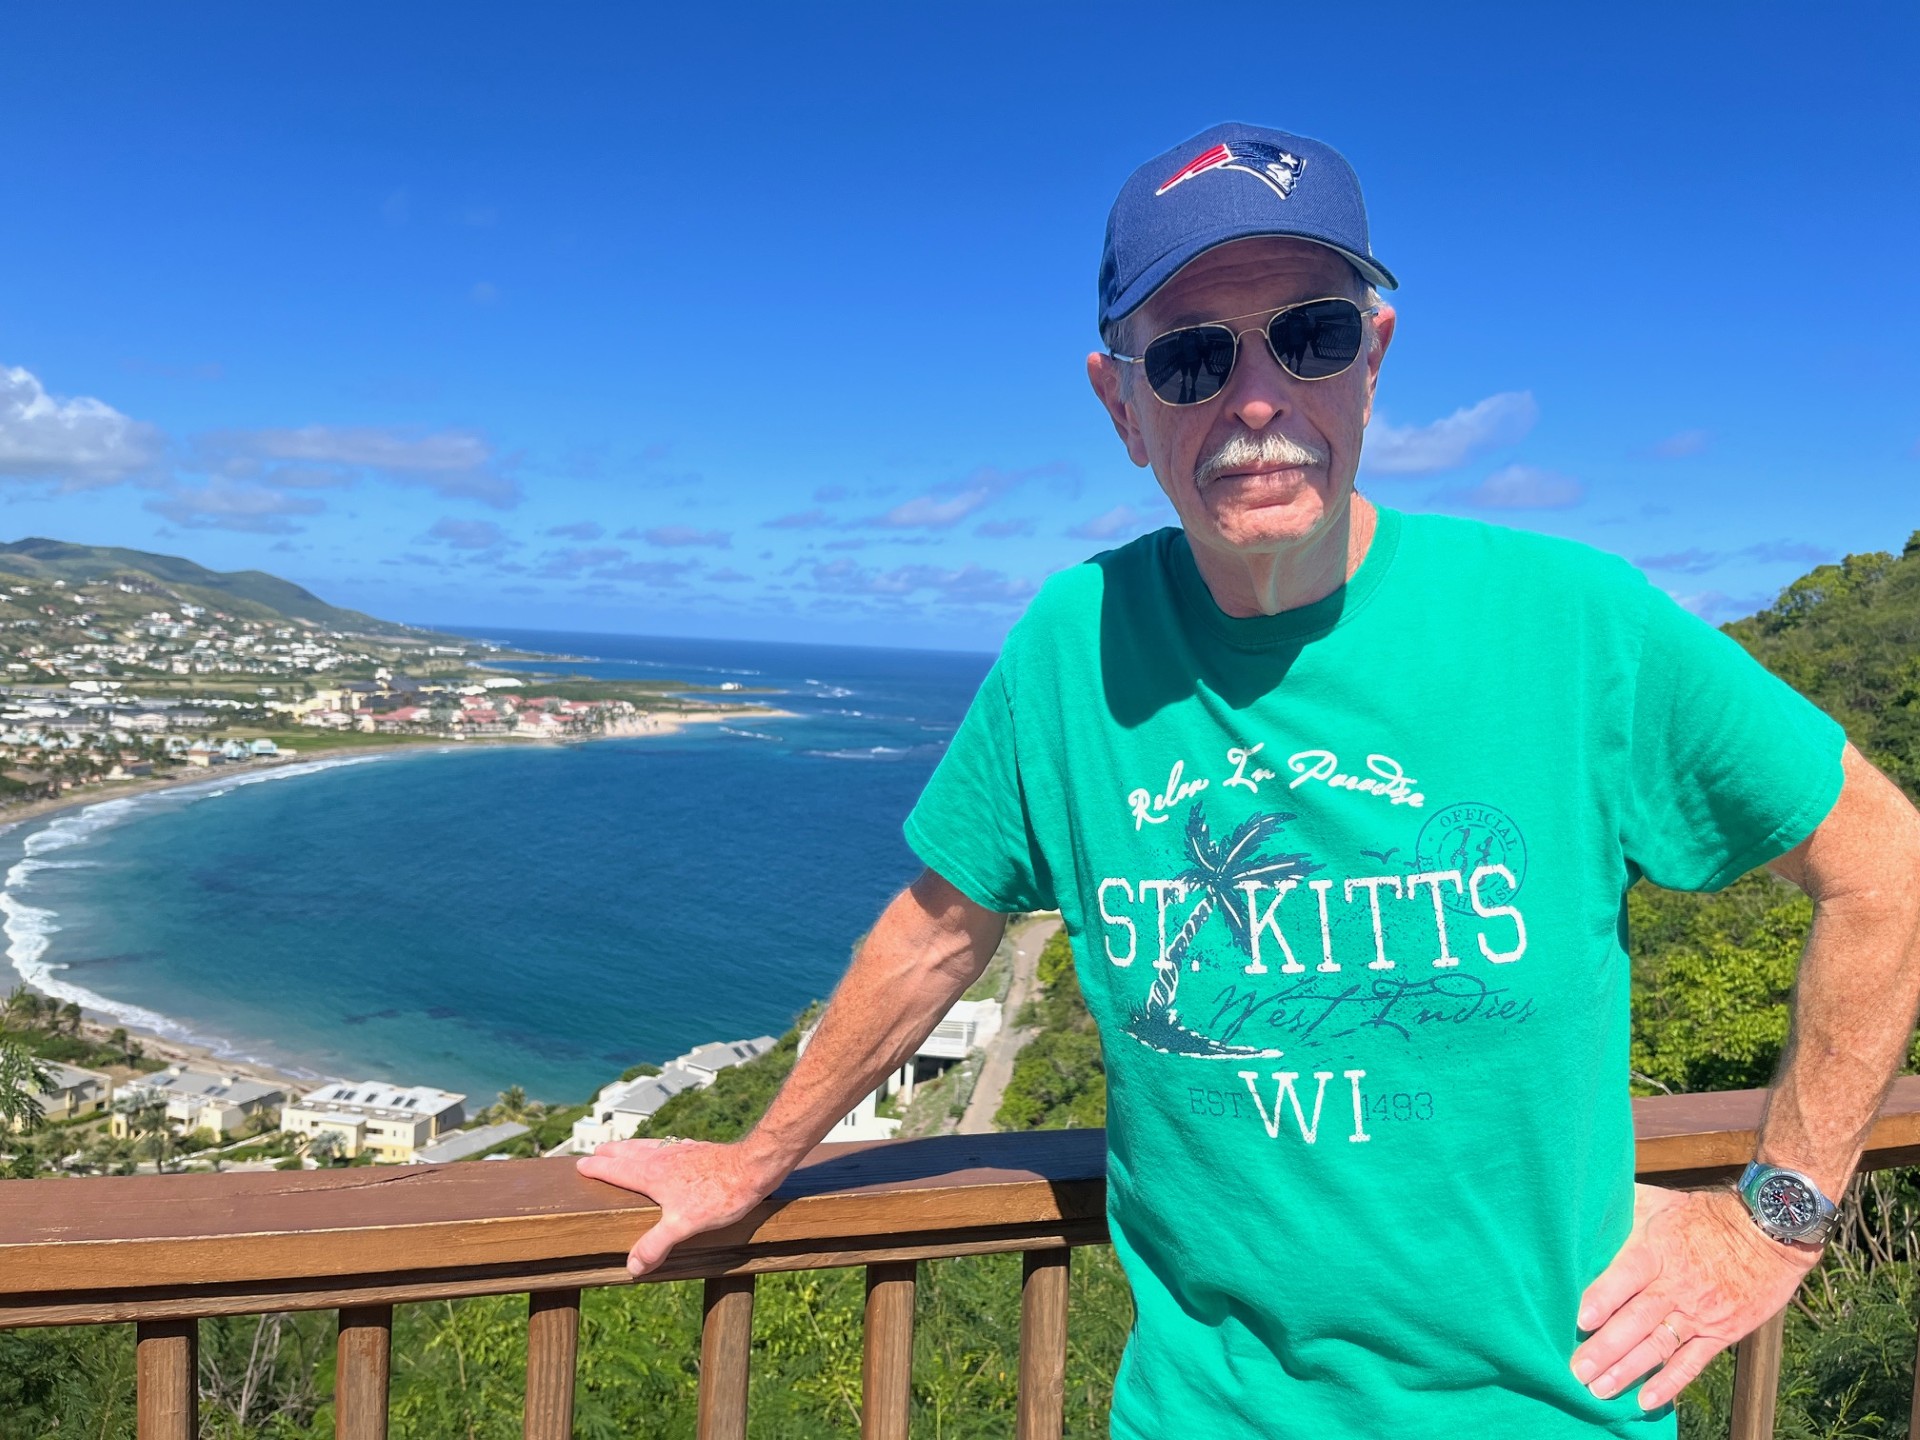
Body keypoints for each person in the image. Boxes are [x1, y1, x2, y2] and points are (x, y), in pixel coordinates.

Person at [579, 122, 1920, 1436]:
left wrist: (1776, 1220)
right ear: (1122, 405)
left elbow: (1887, 868)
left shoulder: (1573, 627)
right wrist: (756, 1160)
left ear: (1373, 363)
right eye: (1194, 357)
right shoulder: (1073, 644)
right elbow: (939, 931)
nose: (1259, 400)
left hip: (1544, 1405)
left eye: (1311, 336)